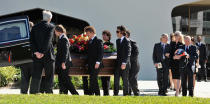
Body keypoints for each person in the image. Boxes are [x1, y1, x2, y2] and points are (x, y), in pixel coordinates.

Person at [29, 10, 55, 94]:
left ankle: (34, 91)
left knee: (36, 74)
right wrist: (42, 52)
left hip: (36, 56)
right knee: (49, 75)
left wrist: (36, 52)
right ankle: (48, 91)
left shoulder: (35, 27)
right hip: (47, 55)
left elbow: (31, 41)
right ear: (49, 18)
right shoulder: (51, 26)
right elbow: (48, 41)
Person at [54, 24, 79, 95]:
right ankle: (63, 93)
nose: (55, 33)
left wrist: (63, 62)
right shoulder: (62, 38)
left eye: (55, 31)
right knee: (61, 79)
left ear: (58, 31)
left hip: (64, 63)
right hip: (61, 63)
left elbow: (65, 52)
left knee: (65, 79)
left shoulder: (64, 39)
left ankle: (75, 93)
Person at [85, 26, 104, 95]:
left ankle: (90, 93)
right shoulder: (89, 41)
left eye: (88, 33)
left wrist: (98, 62)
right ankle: (97, 94)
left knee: (93, 78)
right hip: (90, 64)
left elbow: (101, 52)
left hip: (96, 64)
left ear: (92, 32)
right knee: (93, 79)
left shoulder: (98, 41)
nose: (87, 35)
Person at [114, 25, 131, 96]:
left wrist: (124, 63)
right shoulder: (117, 41)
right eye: (116, 31)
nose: (116, 33)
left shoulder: (127, 41)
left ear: (122, 32)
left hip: (125, 64)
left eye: (117, 31)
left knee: (125, 80)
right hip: (118, 63)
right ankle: (115, 94)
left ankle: (126, 94)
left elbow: (128, 52)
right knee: (116, 79)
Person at [20, 21, 34, 94]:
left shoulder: (22, 36)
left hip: (24, 60)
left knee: (24, 78)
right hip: (33, 60)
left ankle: (23, 92)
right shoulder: (35, 36)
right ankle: (33, 92)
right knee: (34, 78)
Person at [125, 30, 140, 96]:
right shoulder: (122, 43)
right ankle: (128, 93)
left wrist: (127, 59)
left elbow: (136, 53)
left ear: (127, 35)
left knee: (132, 79)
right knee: (127, 79)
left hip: (134, 64)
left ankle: (136, 93)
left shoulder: (133, 43)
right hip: (127, 64)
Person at [169, 31, 184, 96]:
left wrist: (178, 57)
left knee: (178, 77)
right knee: (173, 78)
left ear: (180, 36)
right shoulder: (172, 43)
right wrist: (170, 56)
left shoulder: (182, 44)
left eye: (177, 35)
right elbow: (170, 52)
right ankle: (178, 88)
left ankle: (177, 91)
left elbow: (183, 54)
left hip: (179, 63)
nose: (176, 36)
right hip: (172, 62)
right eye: (175, 35)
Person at [101, 30, 113, 96]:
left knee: (107, 80)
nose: (103, 36)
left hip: (107, 64)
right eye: (103, 35)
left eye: (105, 35)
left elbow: (111, 52)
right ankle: (105, 93)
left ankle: (107, 93)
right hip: (102, 64)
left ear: (108, 36)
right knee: (103, 80)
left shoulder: (111, 44)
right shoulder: (102, 44)